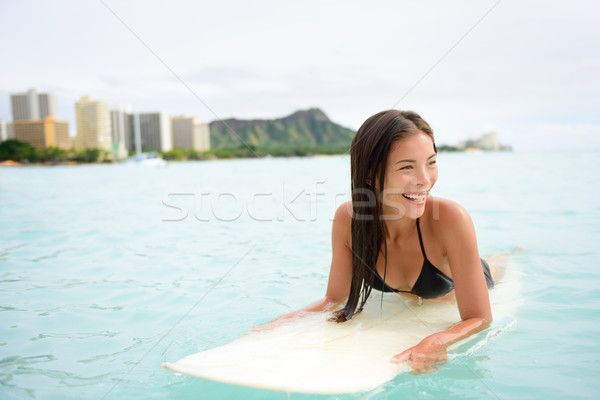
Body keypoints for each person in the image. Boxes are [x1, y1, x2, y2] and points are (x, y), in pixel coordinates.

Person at [254, 110, 499, 374]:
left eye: (431, 162)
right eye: (407, 167)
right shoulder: (348, 220)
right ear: (370, 174)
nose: (424, 180)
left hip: (471, 278)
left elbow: (480, 317)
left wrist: (437, 339)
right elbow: (335, 299)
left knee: (501, 263)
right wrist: (282, 323)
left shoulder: (451, 218)